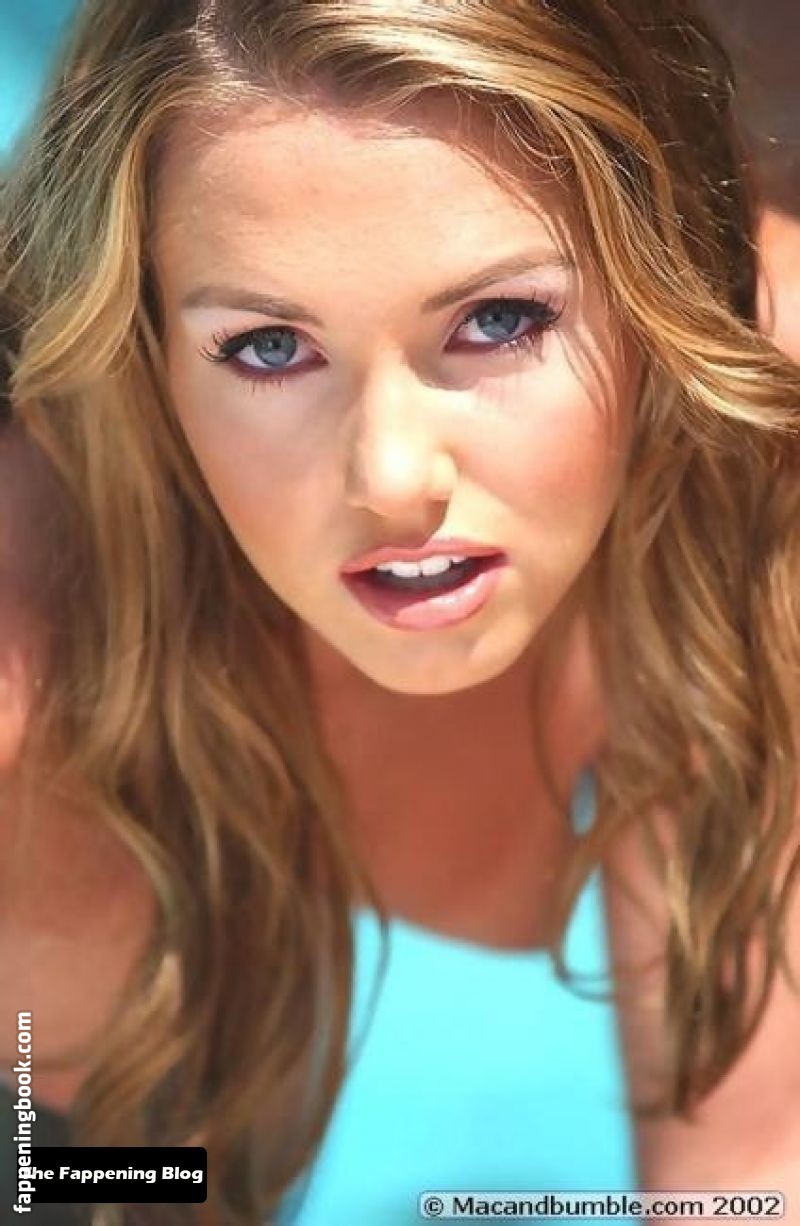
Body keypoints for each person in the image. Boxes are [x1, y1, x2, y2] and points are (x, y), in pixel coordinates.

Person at [1, 1, 800, 1223]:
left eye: (497, 321)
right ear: (144, 348)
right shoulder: (37, 658)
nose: (389, 478)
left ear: (666, 289)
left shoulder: (761, 436)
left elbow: (747, 1179)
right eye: (268, 346)